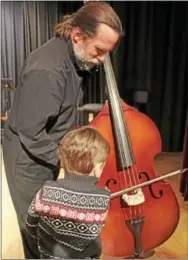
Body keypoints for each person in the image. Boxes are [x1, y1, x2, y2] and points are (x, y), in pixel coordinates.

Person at [3, 1, 123, 259]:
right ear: (78, 35)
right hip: (27, 157)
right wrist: (75, 164)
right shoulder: (49, 70)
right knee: (36, 234)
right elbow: (31, 133)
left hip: (44, 148)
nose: (102, 61)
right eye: (99, 51)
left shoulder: (73, 55)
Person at [26, 126, 111, 259]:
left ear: (63, 161)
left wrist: (41, 238)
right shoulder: (104, 197)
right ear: (98, 166)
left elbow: (31, 223)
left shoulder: (48, 190)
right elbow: (94, 230)